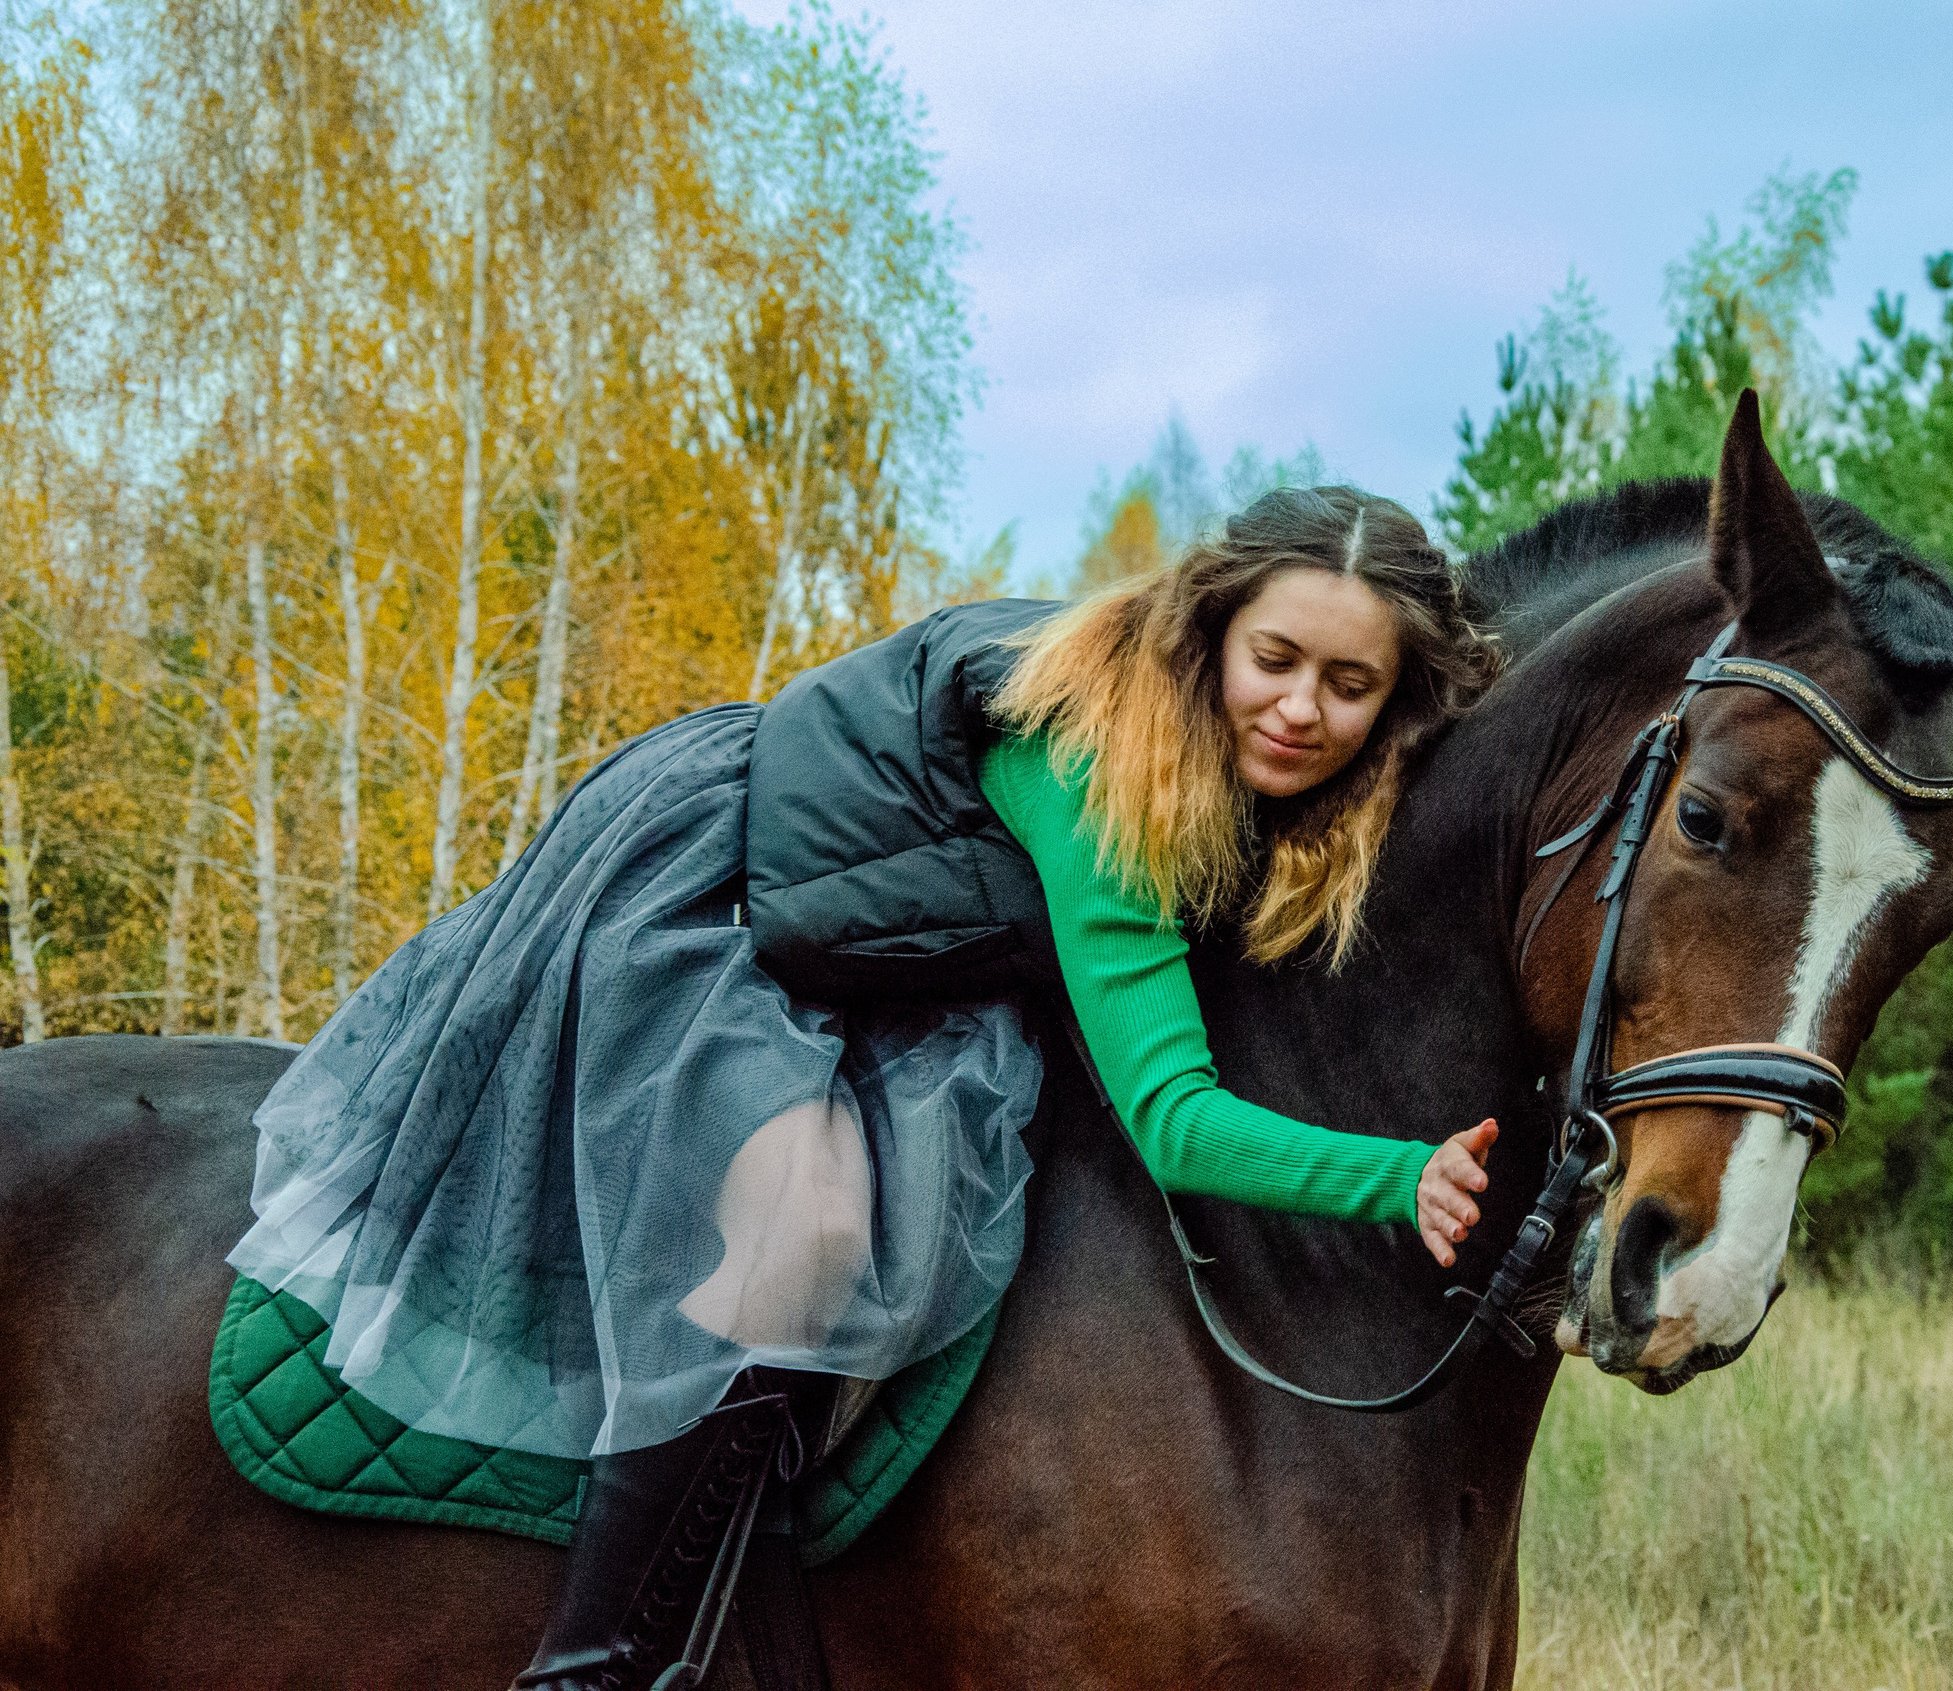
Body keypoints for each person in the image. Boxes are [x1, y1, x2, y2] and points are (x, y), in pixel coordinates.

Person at [226, 485, 1503, 1690]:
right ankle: (590, 1661)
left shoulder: (1304, 777)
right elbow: (1173, 1121)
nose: (1298, 709)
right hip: (732, 911)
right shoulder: (1110, 774)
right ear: (1211, 629)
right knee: (811, 1233)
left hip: (926, 935)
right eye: (1274, 658)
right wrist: (1401, 1174)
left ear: (1393, 705)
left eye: (1349, 684)